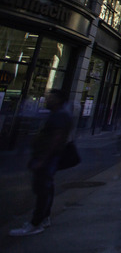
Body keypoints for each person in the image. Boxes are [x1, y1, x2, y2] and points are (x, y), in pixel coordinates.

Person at [10, 89, 73, 236]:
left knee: (42, 189)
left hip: (47, 158)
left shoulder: (59, 116)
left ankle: (36, 223)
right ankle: (44, 218)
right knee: (46, 188)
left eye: (50, 97)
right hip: (48, 157)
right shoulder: (61, 115)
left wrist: (42, 158)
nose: (47, 99)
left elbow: (56, 139)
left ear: (58, 100)